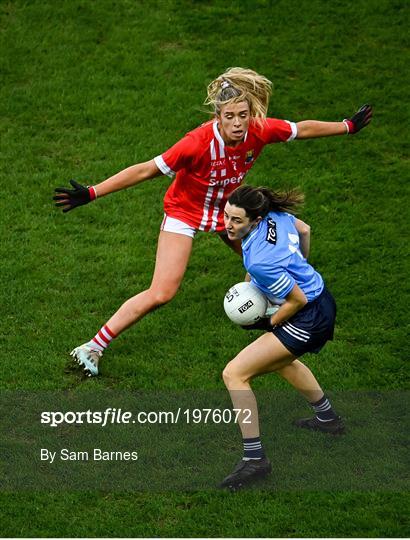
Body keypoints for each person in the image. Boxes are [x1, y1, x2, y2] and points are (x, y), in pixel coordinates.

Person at [53, 67, 372, 377]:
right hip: (184, 212)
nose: (237, 123)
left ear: (250, 113)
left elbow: (301, 129)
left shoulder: (260, 130)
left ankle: (285, 305)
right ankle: (92, 347)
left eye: (242, 115)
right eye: (229, 116)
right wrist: (93, 193)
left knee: (276, 256)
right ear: (217, 117)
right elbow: (146, 170)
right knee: (162, 292)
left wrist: (347, 126)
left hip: (228, 212)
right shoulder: (195, 143)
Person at [220, 185, 342, 490]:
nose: (228, 225)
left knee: (235, 374)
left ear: (255, 220)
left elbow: (296, 300)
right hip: (322, 300)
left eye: (236, 221)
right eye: (226, 216)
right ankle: (327, 419)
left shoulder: (261, 260)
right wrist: (299, 265)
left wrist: (265, 321)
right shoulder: (276, 215)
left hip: (307, 315)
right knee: (282, 361)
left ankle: (254, 459)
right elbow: (305, 229)